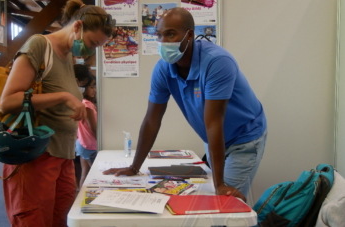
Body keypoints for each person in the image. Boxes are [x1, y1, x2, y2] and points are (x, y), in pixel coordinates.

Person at [103, 7, 267, 202]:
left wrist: (220, 185)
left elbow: (214, 122)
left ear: (189, 35)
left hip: (243, 138)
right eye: (160, 35)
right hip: (213, 138)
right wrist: (134, 167)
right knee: (214, 205)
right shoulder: (163, 69)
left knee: (227, 206)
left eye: (171, 34)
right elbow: (151, 120)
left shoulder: (218, 62)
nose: (164, 42)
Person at [0, 0, 114, 226]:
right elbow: (9, 101)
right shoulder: (39, 45)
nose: (91, 50)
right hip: (36, 155)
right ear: (78, 26)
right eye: (92, 43)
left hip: (62, 155)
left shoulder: (67, 56)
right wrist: (65, 97)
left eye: (97, 47)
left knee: (62, 218)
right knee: (34, 218)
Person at [76, 75, 98, 187]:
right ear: (83, 89)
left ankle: (79, 198)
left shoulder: (81, 103)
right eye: (91, 87)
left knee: (85, 174)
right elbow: (94, 128)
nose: (94, 90)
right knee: (97, 174)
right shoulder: (87, 106)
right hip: (90, 146)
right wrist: (103, 142)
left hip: (82, 144)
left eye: (95, 86)